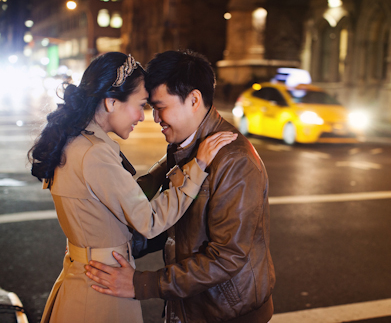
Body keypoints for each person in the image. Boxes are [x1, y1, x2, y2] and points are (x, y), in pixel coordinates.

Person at [28, 52, 237, 323]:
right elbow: (148, 221)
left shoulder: (76, 141)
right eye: (140, 104)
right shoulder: (94, 153)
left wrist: (172, 160)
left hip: (88, 274)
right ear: (112, 101)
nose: (143, 116)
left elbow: (123, 195)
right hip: (102, 289)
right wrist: (196, 165)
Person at [85, 50, 276, 323]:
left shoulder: (234, 161)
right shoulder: (185, 145)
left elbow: (227, 257)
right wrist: (116, 243)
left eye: (160, 106)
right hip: (191, 304)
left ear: (194, 100)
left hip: (226, 312)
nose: (155, 118)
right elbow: (177, 222)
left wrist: (141, 284)